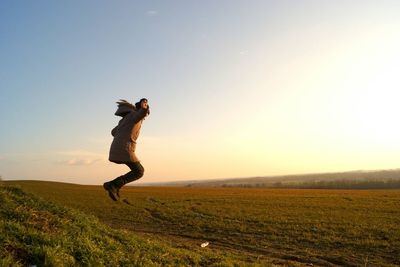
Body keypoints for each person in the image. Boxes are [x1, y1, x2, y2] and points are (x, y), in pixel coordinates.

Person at [103, 98, 150, 201]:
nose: (146, 117)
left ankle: (115, 186)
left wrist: (123, 128)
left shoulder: (124, 120)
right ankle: (113, 185)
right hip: (125, 149)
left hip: (115, 149)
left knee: (136, 170)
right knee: (139, 171)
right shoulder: (135, 116)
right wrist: (144, 108)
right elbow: (141, 113)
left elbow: (113, 132)